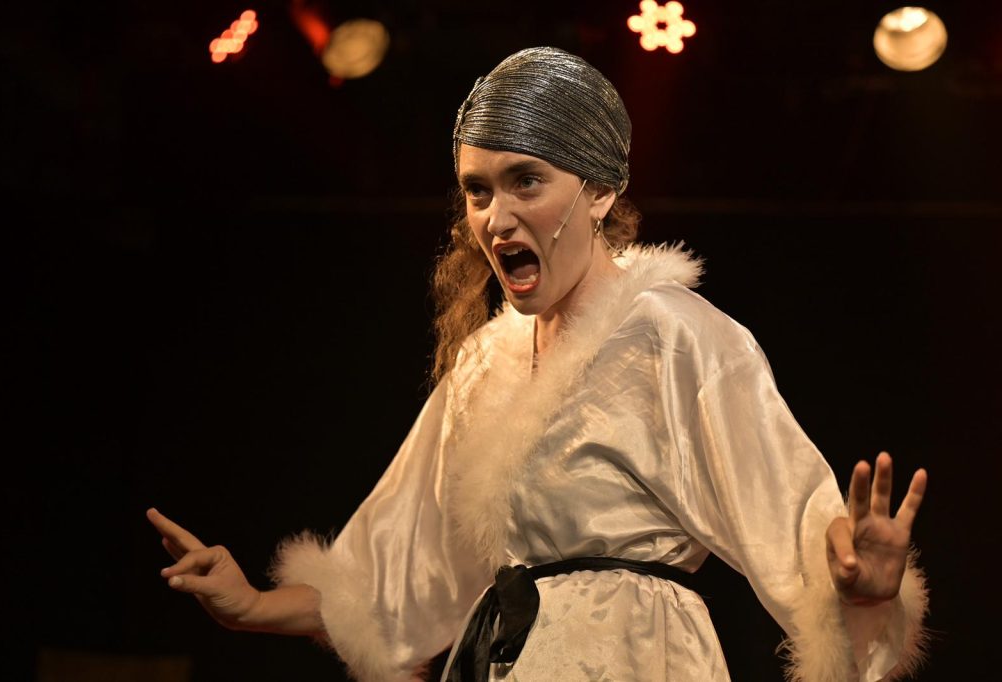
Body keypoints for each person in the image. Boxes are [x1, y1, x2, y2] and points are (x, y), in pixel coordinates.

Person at [148, 46, 929, 682]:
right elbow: (398, 568)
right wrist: (252, 605)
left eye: (526, 181)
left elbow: (791, 519)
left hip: (633, 656)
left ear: (600, 190)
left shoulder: (672, 332)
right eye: (477, 191)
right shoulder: (484, 365)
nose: (496, 218)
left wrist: (865, 592)